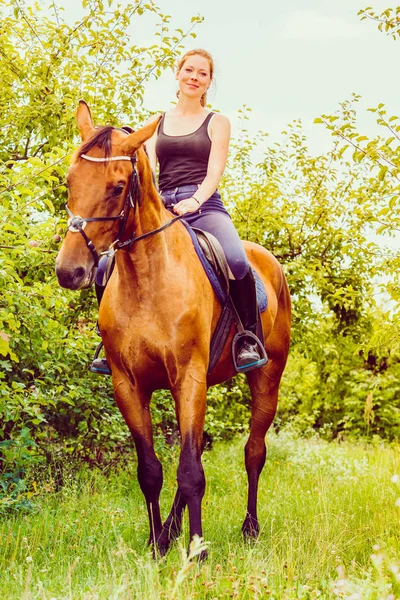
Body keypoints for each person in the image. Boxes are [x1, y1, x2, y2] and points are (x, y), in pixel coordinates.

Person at [90, 49, 265, 375]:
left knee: (237, 258)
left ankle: (248, 339)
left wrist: (195, 201)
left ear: (209, 82)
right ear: (178, 74)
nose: (194, 77)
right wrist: (156, 204)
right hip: (163, 207)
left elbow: (214, 173)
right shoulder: (158, 123)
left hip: (204, 206)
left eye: (202, 73)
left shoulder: (217, 122)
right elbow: (149, 169)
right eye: (189, 70)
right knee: (104, 264)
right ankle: (107, 342)